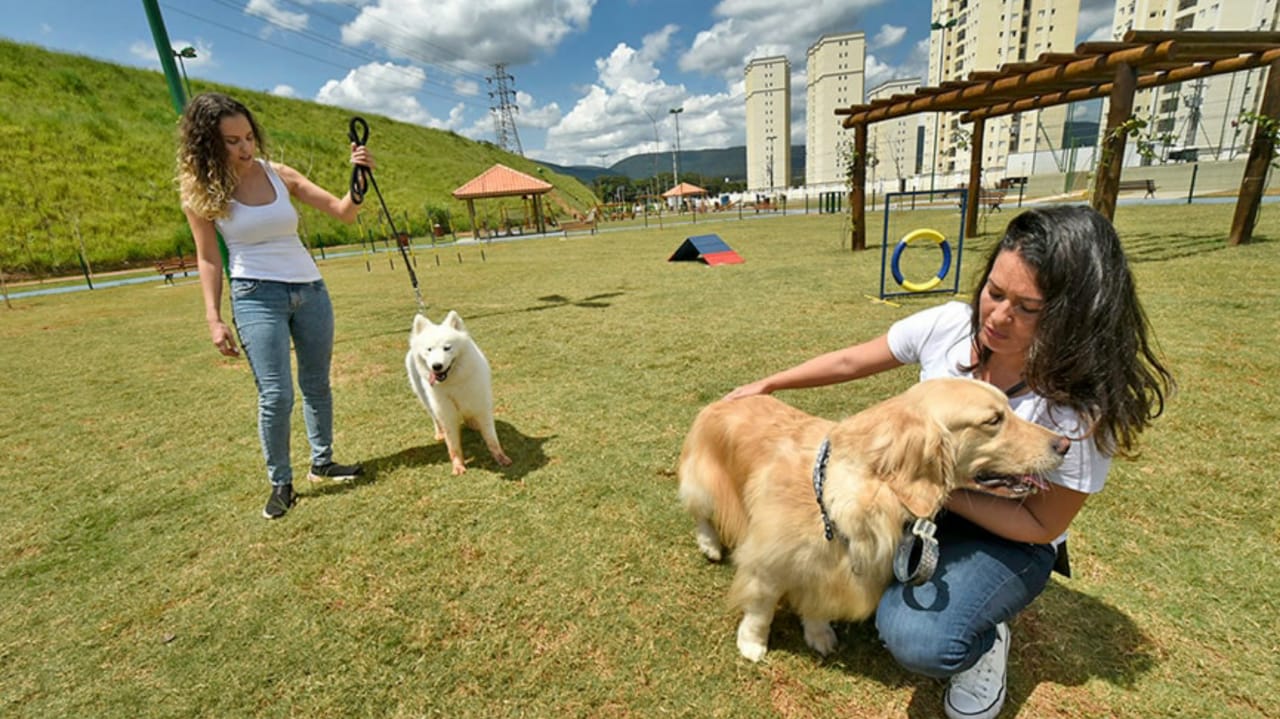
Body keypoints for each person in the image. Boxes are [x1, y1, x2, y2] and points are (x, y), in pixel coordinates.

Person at [724, 205, 1173, 719]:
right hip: (931, 506)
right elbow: (853, 360)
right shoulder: (951, 325)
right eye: (996, 292)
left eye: (1028, 308)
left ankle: (984, 636)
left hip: (1012, 535)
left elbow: (1040, 523)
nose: (999, 316)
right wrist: (772, 383)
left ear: (1071, 313)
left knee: (917, 636)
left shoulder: (1080, 408)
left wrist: (929, 488)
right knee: (842, 567)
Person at [176, 92, 372, 520]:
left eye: (248, 136)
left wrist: (358, 177)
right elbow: (208, 258)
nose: (245, 148)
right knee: (276, 394)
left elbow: (343, 212)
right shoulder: (201, 194)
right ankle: (281, 482)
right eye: (231, 141)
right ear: (207, 143)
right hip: (255, 294)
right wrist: (213, 317)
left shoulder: (278, 174)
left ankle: (323, 462)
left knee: (318, 384)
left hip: (310, 290)